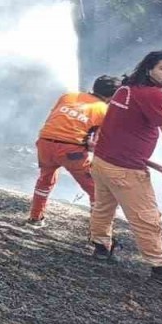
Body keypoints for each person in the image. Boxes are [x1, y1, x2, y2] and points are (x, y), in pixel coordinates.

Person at [89, 50, 162, 288]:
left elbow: (120, 132)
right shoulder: (154, 96)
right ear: (149, 69)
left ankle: (101, 246)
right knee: (146, 218)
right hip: (126, 170)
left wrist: (158, 165)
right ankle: (160, 267)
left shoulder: (125, 89)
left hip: (103, 163)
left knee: (103, 208)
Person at [26, 75, 120, 226]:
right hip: (72, 151)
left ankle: (35, 218)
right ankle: (99, 230)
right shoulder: (105, 110)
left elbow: (55, 118)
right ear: (113, 96)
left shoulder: (68, 96)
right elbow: (96, 142)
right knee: (96, 190)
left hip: (45, 143)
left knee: (45, 181)